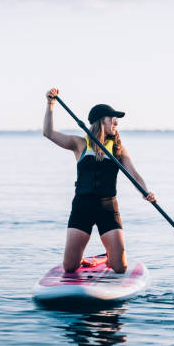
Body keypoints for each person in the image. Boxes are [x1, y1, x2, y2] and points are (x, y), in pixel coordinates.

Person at [43, 88, 156, 274]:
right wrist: (50, 104)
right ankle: (90, 258)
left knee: (120, 268)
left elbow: (134, 174)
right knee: (70, 266)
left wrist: (146, 192)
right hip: (82, 207)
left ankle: (107, 257)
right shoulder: (79, 144)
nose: (116, 122)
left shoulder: (118, 149)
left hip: (107, 208)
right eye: (112, 118)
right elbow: (48, 133)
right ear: (101, 120)